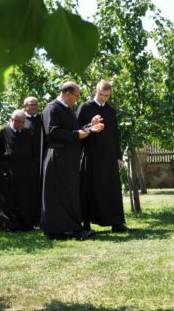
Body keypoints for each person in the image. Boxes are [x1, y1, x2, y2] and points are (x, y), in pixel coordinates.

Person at [40, 81, 103, 240]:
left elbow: (73, 130)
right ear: (67, 93)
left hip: (68, 158)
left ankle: (73, 228)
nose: (78, 98)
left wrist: (90, 126)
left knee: (70, 193)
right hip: (57, 157)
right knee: (58, 195)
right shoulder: (51, 108)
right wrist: (76, 134)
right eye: (76, 95)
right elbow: (52, 132)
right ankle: (56, 230)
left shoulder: (67, 109)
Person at [77, 80, 129, 233]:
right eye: (101, 95)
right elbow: (77, 130)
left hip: (108, 157)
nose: (103, 98)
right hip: (90, 155)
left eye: (106, 96)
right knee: (88, 189)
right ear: (95, 92)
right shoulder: (85, 107)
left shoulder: (111, 110)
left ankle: (116, 223)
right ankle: (85, 223)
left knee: (112, 189)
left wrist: (118, 157)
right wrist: (90, 128)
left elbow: (115, 136)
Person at [0, 110, 39, 232]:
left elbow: (33, 152)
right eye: (18, 122)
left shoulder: (27, 132)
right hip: (7, 173)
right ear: (11, 119)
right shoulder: (1, 132)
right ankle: (9, 226)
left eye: (23, 122)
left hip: (25, 174)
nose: (20, 124)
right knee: (7, 200)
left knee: (25, 200)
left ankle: (26, 225)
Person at [23, 96, 43, 225]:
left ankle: (41, 218)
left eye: (36, 104)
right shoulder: (20, 120)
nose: (34, 106)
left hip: (41, 160)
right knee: (29, 191)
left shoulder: (42, 119)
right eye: (31, 104)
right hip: (26, 163)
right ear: (25, 105)